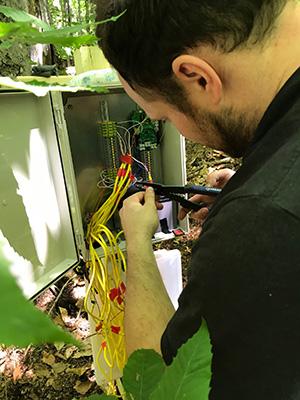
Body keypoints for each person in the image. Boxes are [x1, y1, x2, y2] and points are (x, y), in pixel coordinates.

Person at [96, 1, 300, 398]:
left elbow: (158, 382)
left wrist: (137, 243)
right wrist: (254, 184)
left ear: (197, 77)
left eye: (167, 116)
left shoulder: (262, 221)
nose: (178, 131)